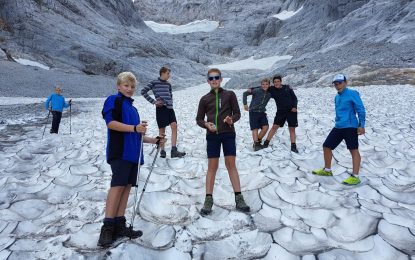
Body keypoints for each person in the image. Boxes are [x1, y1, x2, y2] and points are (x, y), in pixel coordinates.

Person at [99, 72, 165, 247]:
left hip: (134, 155)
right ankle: (107, 227)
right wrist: (134, 128)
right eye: (126, 85)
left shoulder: (133, 109)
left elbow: (137, 134)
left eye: (132, 86)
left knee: (127, 188)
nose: (129, 89)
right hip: (120, 152)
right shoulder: (114, 100)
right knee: (117, 187)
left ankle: (119, 224)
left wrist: (154, 140)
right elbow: (110, 123)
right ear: (118, 86)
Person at [196, 68, 250, 215]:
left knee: (231, 165)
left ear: (221, 79)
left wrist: (231, 119)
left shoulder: (230, 95)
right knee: (212, 167)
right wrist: (206, 124)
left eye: (216, 77)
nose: (214, 80)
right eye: (211, 78)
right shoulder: (204, 99)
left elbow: (237, 113)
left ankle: (239, 198)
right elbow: (199, 119)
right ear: (208, 81)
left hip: (228, 134)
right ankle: (208, 200)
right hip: (212, 136)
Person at [312, 74, 366, 185]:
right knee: (327, 146)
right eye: (335, 84)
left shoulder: (352, 94)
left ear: (345, 82)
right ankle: (327, 170)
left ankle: (355, 176)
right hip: (339, 126)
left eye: (340, 83)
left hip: (350, 126)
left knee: (353, 150)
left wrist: (361, 124)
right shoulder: (337, 97)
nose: (338, 85)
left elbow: (361, 109)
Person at [141, 67, 186, 158]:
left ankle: (174, 150)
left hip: (170, 109)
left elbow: (170, 94)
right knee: (162, 130)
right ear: (162, 73)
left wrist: (170, 102)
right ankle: (162, 150)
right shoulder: (154, 82)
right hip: (161, 109)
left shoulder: (168, 84)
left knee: (174, 126)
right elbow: (143, 91)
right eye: (168, 73)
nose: (169, 75)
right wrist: (154, 102)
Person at [264, 75, 299, 153]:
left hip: (291, 111)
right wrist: (251, 89)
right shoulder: (272, 89)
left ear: (281, 82)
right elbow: (263, 86)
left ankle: (293, 146)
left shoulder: (287, 88)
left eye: (278, 81)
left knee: (292, 128)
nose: (276, 83)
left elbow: (294, 98)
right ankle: (266, 142)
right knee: (274, 127)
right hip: (281, 112)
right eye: (275, 82)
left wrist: (295, 107)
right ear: (273, 83)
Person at [242, 78, 271, 151]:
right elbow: (245, 93)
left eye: (266, 84)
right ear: (261, 85)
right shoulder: (256, 90)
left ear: (269, 85)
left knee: (266, 127)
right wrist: (245, 104)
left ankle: (256, 142)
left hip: (262, 112)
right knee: (255, 128)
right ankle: (257, 144)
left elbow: (278, 88)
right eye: (263, 84)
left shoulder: (270, 92)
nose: (265, 86)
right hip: (253, 112)